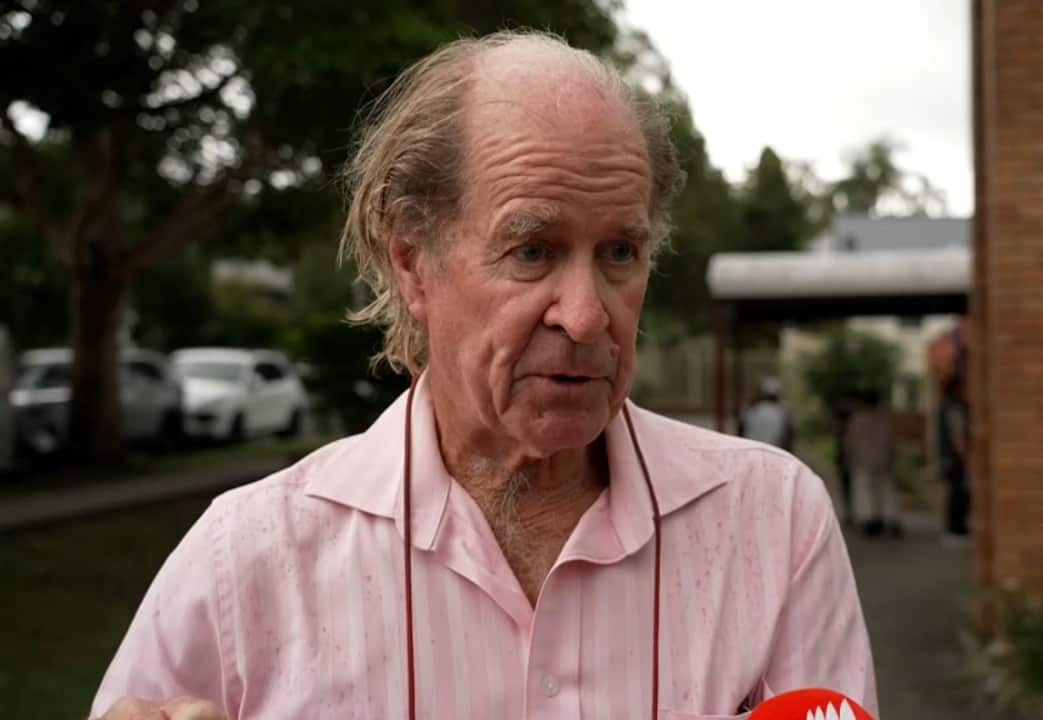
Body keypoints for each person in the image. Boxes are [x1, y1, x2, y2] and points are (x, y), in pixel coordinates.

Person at [92, 32, 877, 719]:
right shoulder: (249, 563)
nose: (586, 314)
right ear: (412, 260)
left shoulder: (772, 525)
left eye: (619, 254)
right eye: (532, 249)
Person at [843, 390, 900, 539]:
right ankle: (890, 519)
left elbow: (851, 442)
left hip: (863, 461)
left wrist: (850, 458)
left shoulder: (858, 419)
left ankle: (870, 520)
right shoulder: (884, 419)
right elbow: (891, 441)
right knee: (885, 491)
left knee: (865, 491)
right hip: (883, 460)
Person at [938, 376, 970, 544]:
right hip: (954, 459)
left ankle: (955, 529)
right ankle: (955, 530)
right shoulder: (955, 408)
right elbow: (958, 436)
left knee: (955, 493)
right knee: (957, 494)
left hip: (948, 457)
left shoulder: (946, 406)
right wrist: (965, 458)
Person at [738, 376, 794, 451]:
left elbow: (741, 430)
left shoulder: (750, 408)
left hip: (752, 449)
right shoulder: (783, 410)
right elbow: (789, 435)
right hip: (774, 451)